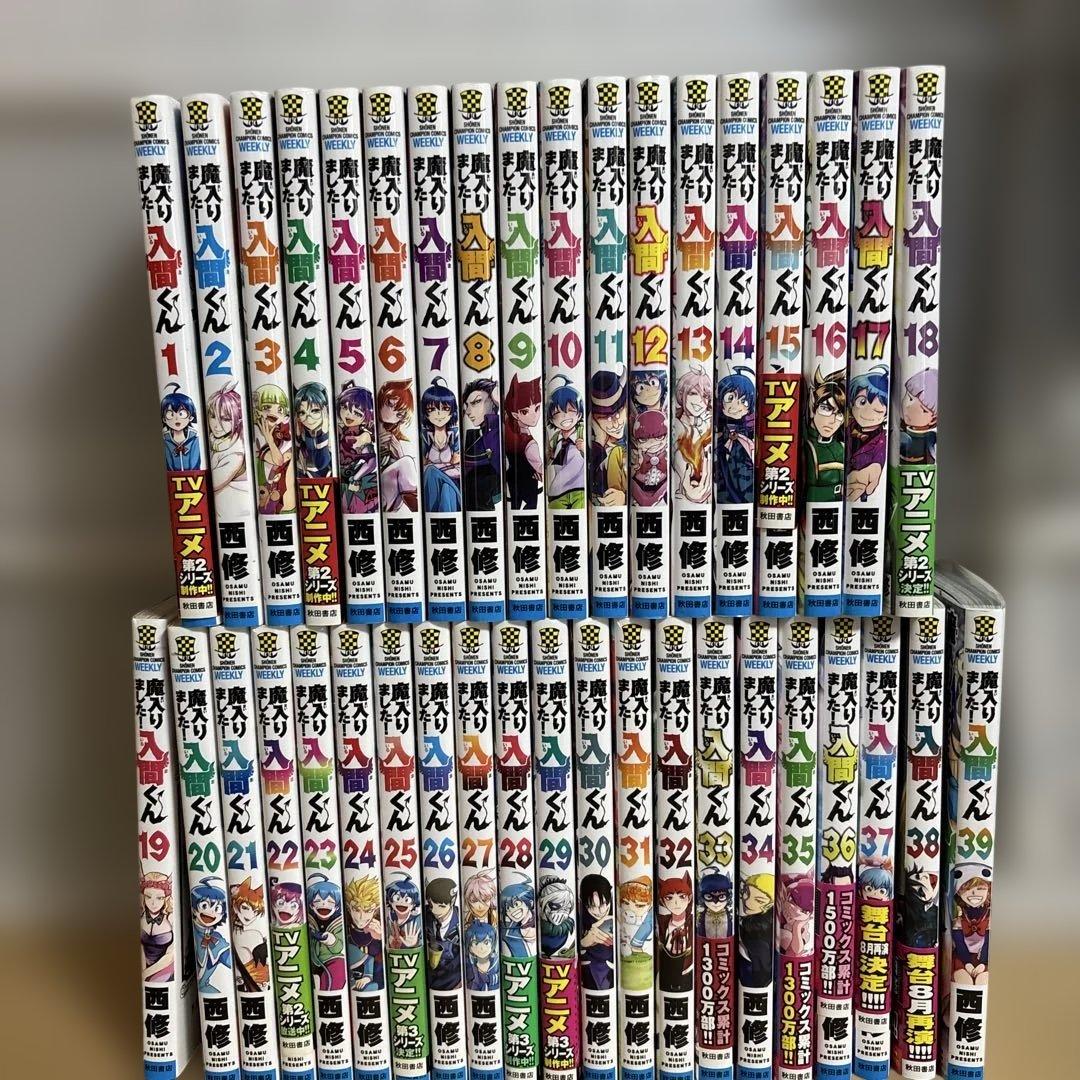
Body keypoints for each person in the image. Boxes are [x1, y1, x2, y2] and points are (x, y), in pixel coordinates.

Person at [803, 366, 846, 502]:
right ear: (812, 407)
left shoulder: (842, 447)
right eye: (826, 408)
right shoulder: (807, 448)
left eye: (839, 414)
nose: (832, 420)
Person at [846, 367, 889, 501]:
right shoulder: (846, 426)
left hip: (862, 492)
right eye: (862, 402)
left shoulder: (882, 440)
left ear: (886, 413)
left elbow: (878, 461)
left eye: (877, 410)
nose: (867, 413)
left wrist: (873, 470)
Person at [420, 377, 462, 512]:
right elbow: (422, 463)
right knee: (445, 489)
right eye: (432, 409)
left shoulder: (455, 434)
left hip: (454, 482)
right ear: (425, 412)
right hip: (435, 485)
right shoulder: (425, 435)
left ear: (452, 411)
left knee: (432, 472)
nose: (439, 414)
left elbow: (458, 463)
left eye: (445, 408)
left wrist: (433, 466)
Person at [251, 384, 295, 512]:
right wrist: (269, 440)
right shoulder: (260, 438)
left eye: (280, 409)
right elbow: (278, 460)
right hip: (270, 498)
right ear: (257, 411)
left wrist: (270, 440)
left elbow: (282, 459)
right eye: (266, 407)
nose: (273, 413)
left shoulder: (284, 435)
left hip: (287, 500)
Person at [337, 383, 379, 514]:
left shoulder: (363, 437)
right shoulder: (338, 431)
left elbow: (371, 462)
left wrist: (356, 478)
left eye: (357, 413)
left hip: (354, 481)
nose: (349, 414)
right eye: (345, 407)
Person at [588, 368, 628, 506]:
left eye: (619, 412)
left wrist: (624, 497)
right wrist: (599, 442)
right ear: (595, 419)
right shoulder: (595, 450)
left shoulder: (634, 441)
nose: (616, 423)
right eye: (606, 418)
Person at [714, 369, 755, 504]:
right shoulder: (719, 434)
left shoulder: (747, 433)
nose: (737, 406)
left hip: (746, 483)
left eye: (744, 401)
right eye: (730, 398)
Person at [377, 381, 419, 511]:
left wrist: (399, 452)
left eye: (399, 414)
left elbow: (403, 475)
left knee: (406, 461)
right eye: (390, 404)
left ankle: (415, 511)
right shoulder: (365, 433)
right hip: (372, 492)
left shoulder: (394, 439)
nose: (392, 414)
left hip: (392, 498)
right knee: (406, 462)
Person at [503, 375, 544, 509]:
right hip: (528, 484)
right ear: (515, 414)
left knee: (516, 507)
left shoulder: (507, 425)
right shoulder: (529, 444)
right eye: (525, 411)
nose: (534, 416)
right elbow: (541, 469)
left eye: (537, 408)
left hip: (511, 480)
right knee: (529, 507)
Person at [461, 378, 502, 510]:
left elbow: (498, 464)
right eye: (467, 405)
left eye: (476, 402)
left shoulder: (499, 432)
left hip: (492, 500)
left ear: (493, 401)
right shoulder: (471, 436)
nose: (468, 411)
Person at [546, 377, 586, 509]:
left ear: (579, 414)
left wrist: (584, 449)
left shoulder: (582, 435)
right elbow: (549, 460)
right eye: (557, 413)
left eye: (570, 411)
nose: (564, 416)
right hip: (558, 491)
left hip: (579, 489)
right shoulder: (555, 439)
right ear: (551, 419)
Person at [674, 369, 712, 503]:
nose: (700, 401)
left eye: (705, 396)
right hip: (682, 498)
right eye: (693, 393)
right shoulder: (676, 428)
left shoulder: (709, 427)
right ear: (681, 394)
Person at [191, 877, 232, 995]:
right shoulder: (192, 931)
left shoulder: (218, 940)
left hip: (207, 992)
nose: (211, 912)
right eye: (204, 906)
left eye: (217, 908)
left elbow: (228, 959)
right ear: (194, 909)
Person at [206, 382, 248, 497]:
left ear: (238, 420)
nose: (217, 425)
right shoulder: (213, 441)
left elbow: (212, 484)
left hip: (234, 505)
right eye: (213, 416)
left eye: (226, 419)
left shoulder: (236, 453)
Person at [344, 874, 384, 991]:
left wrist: (381, 938)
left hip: (376, 985)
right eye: (356, 909)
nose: (361, 917)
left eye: (368, 910)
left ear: (375, 910)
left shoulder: (378, 930)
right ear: (348, 907)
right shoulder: (346, 929)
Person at [306, 875, 346, 990]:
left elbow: (339, 947)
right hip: (312, 960)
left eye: (330, 902)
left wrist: (330, 940)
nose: (324, 904)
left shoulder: (339, 924)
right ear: (311, 905)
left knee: (336, 970)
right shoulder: (310, 920)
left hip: (332, 959)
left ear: (337, 907)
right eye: (318, 901)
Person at [230, 877, 270, 992]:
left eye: (255, 911)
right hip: (253, 988)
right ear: (235, 906)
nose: (251, 915)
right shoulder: (252, 935)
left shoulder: (253, 935)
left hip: (257, 988)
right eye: (245, 908)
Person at [657, 872, 693, 992]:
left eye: (682, 897)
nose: (676, 903)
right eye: (669, 898)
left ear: (689, 898)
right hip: (666, 974)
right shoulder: (661, 923)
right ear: (662, 901)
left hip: (688, 973)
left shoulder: (693, 923)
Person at [578, 873, 615, 991]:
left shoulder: (617, 916)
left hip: (612, 970)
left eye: (603, 904)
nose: (599, 911)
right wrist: (584, 942)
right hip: (589, 971)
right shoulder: (582, 919)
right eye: (592, 906)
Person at [424, 877, 462, 989]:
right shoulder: (426, 914)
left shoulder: (460, 920)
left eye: (441, 906)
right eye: (431, 905)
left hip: (452, 977)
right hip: (429, 974)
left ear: (453, 901)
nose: (435, 911)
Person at [737, 873, 774, 987]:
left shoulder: (758, 933)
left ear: (770, 905)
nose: (747, 902)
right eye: (746, 892)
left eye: (759, 900)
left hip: (754, 984)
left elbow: (762, 975)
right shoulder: (746, 920)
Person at [140, 871, 174, 983]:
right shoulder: (141, 915)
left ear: (166, 898)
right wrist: (143, 972)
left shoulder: (171, 918)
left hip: (165, 967)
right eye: (148, 897)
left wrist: (145, 973)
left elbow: (171, 956)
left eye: (159, 898)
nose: (153, 903)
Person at [899, 367, 938, 465]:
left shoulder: (931, 438)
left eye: (923, 410)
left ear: (933, 420)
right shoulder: (899, 427)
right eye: (909, 398)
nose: (909, 407)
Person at [630, 409, 668, 506]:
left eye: (659, 437)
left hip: (662, 488)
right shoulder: (635, 455)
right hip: (639, 489)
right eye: (643, 439)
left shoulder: (667, 454)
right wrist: (637, 465)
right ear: (635, 441)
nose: (652, 443)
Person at [294, 383, 332, 478]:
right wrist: (297, 436)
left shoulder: (330, 434)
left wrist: (323, 434)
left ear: (325, 410)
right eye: (302, 412)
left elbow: (321, 463)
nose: (308, 418)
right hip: (305, 476)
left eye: (315, 411)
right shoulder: (304, 433)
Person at [161, 384, 201, 471]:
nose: (176, 418)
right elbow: (169, 466)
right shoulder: (167, 442)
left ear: (190, 417)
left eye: (181, 414)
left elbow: (195, 465)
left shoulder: (194, 441)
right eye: (170, 414)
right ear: (164, 419)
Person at [777, 873, 814, 957]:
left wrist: (797, 926)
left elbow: (795, 952)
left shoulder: (804, 931)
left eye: (803, 911)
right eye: (791, 901)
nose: (791, 910)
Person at [538, 875, 576, 955]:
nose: (561, 913)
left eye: (567, 908)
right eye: (555, 906)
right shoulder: (537, 926)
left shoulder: (566, 928)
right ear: (542, 903)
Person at [499, 879, 537, 957]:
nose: (512, 910)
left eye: (516, 904)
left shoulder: (538, 923)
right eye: (507, 908)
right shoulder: (507, 932)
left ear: (530, 903)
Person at [385, 876, 422, 949]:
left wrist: (415, 943)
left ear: (414, 904)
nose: (401, 902)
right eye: (397, 898)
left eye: (407, 900)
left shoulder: (417, 920)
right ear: (390, 901)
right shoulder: (388, 919)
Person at [697, 869, 733, 940]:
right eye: (709, 897)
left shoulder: (730, 916)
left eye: (721, 896)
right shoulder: (701, 917)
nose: (715, 902)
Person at [464, 921, 500, 991]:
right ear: (470, 947)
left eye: (486, 942)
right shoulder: (470, 965)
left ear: (492, 943)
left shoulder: (496, 963)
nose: (481, 948)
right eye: (475, 943)